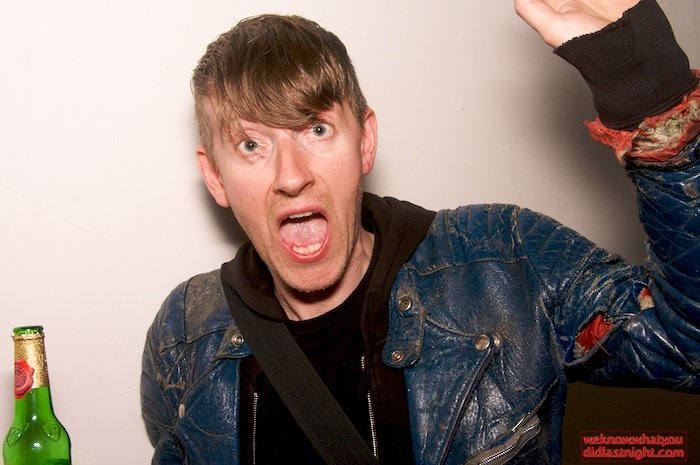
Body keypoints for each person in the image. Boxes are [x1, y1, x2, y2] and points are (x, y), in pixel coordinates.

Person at [141, 0, 700, 464]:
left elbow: (685, 346)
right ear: (215, 176)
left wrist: (651, 93)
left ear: (365, 141)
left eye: (317, 129)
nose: (291, 176)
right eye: (251, 145)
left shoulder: (505, 262)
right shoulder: (182, 336)